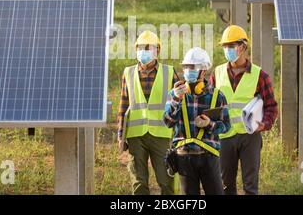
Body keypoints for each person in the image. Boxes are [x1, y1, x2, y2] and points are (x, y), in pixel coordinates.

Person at [210, 25, 278, 195]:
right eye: (225, 46)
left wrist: (265, 124)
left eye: (231, 46)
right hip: (225, 136)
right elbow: (209, 104)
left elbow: (271, 106)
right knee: (225, 185)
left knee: (250, 185)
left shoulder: (259, 75)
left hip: (250, 137)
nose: (228, 50)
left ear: (242, 47)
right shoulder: (217, 74)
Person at [118, 30, 179, 195]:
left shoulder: (169, 72)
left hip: (161, 134)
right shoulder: (128, 73)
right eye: (140, 48)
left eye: (148, 48)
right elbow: (124, 105)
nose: (143, 51)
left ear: (157, 51)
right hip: (136, 135)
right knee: (139, 183)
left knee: (166, 181)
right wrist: (120, 135)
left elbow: (178, 104)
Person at [164, 47, 230, 195]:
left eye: (192, 67)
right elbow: (168, 122)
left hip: (209, 156)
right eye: (186, 67)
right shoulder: (174, 94)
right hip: (184, 157)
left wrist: (210, 124)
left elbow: (226, 126)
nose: (188, 70)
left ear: (203, 70)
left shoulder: (217, 96)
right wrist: (176, 100)